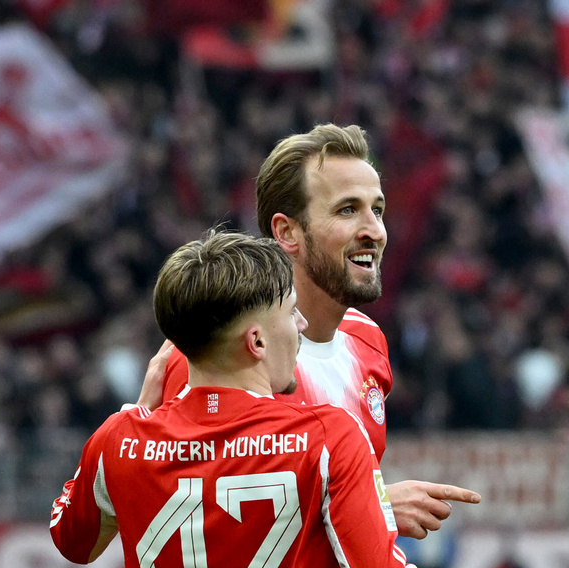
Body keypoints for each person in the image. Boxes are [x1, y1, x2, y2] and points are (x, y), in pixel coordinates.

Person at [51, 231, 447, 568]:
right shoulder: (326, 436)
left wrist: (136, 413)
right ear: (256, 342)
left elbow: (72, 540)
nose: (299, 327)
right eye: (290, 313)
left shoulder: (119, 440)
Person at [150, 123, 480, 539]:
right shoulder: (214, 348)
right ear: (288, 232)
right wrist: (373, 505)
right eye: (347, 210)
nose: (374, 231)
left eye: (376, 210)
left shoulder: (368, 342)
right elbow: (191, 525)